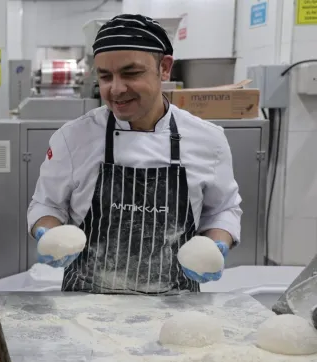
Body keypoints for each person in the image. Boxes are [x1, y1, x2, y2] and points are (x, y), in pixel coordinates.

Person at [28, 14, 242, 294]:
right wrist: (48, 233)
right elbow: (46, 205)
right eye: (105, 76)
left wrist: (216, 245)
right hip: (85, 306)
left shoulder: (208, 140)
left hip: (176, 305)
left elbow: (223, 209)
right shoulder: (73, 138)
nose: (116, 89)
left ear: (164, 68)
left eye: (130, 73)